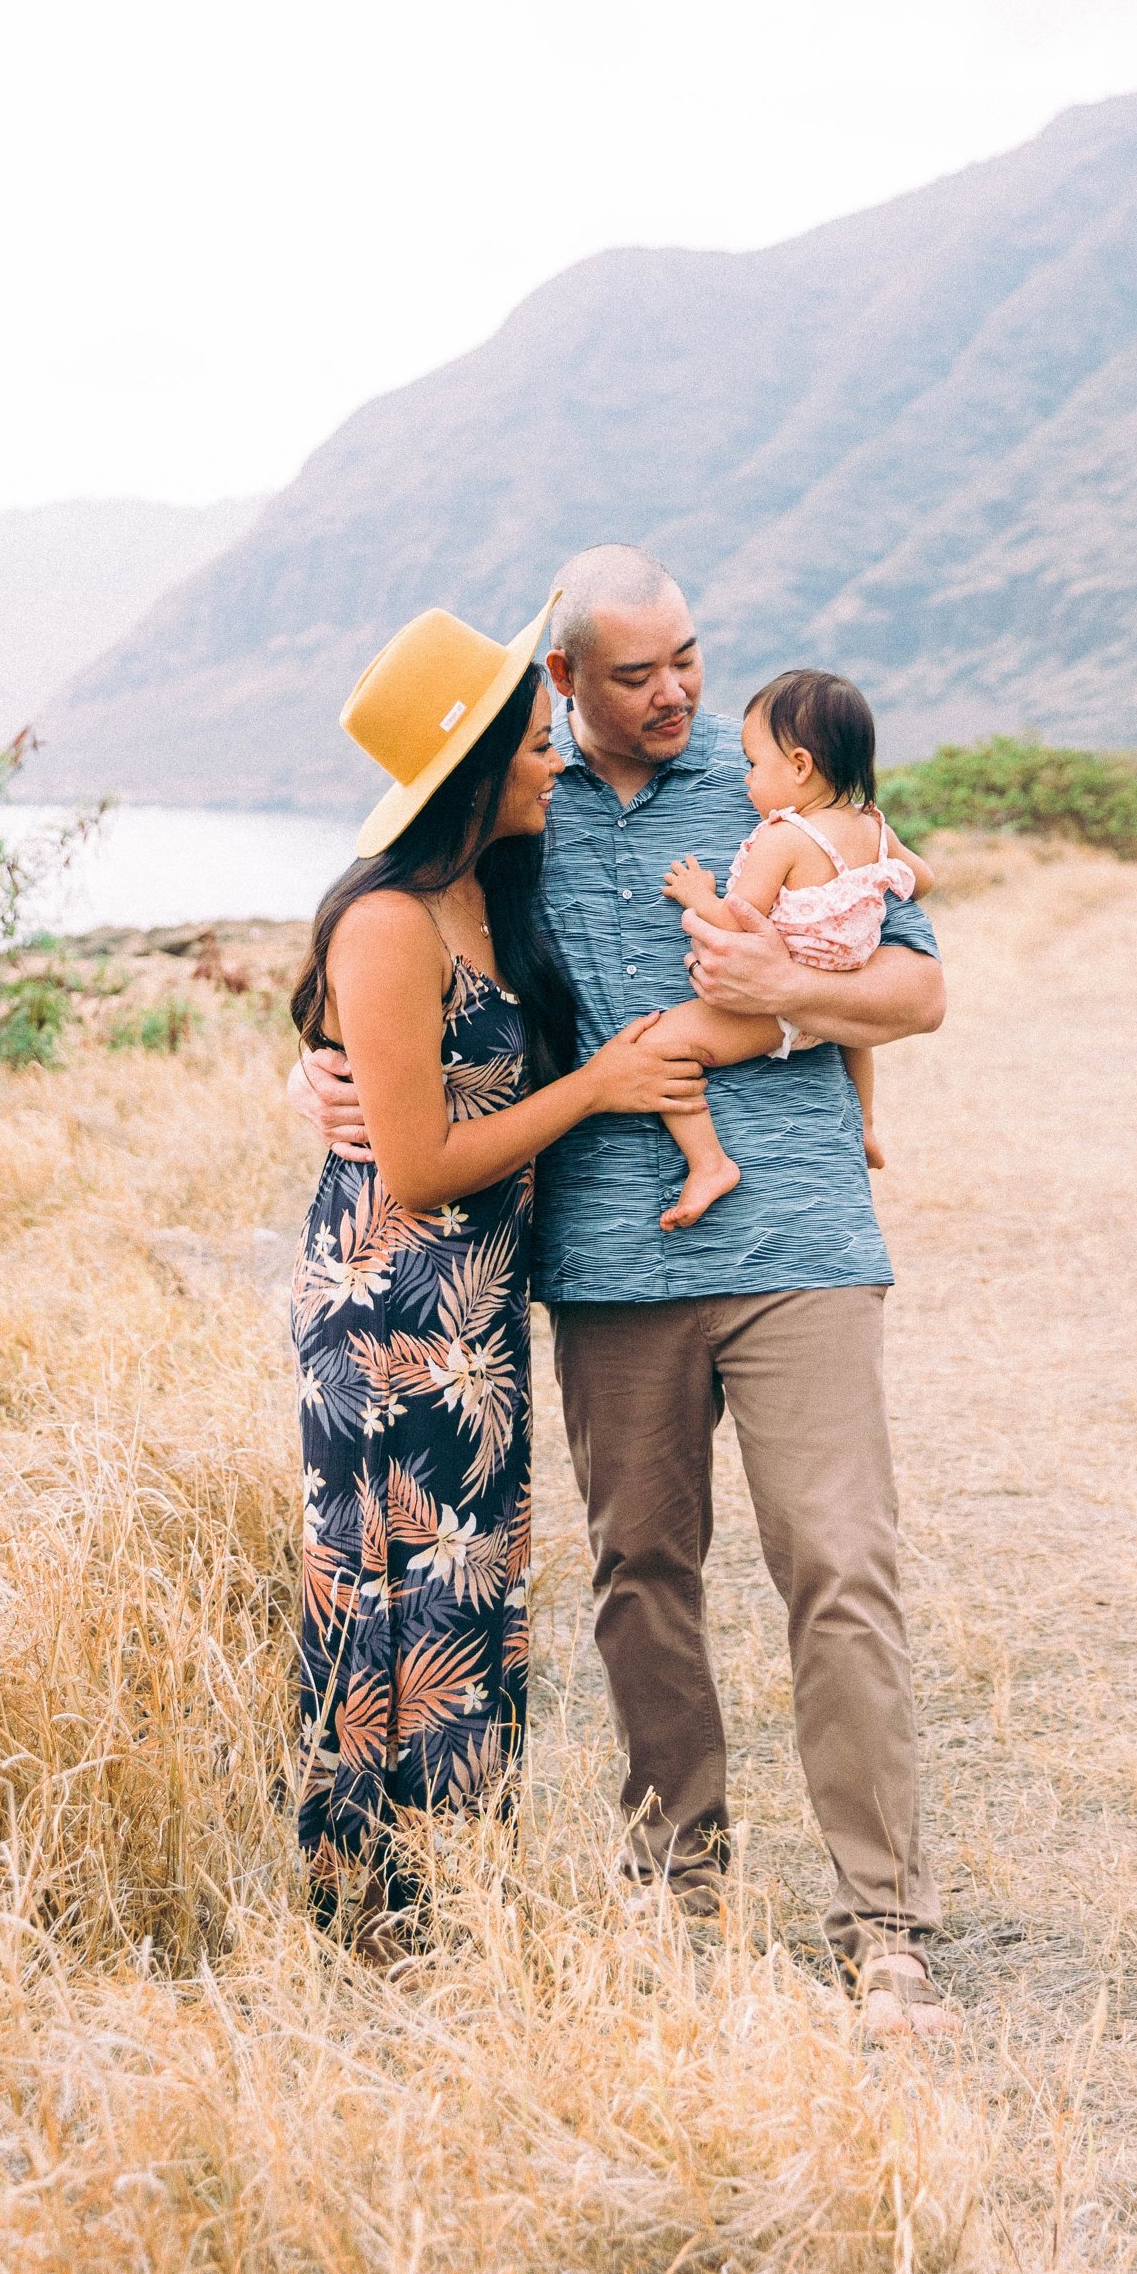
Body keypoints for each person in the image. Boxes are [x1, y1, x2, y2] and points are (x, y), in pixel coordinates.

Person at [292, 546, 959, 2036]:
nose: (676, 694)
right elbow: (391, 945)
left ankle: (884, 1922)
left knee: (840, 1566)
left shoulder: (782, 785)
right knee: (640, 1579)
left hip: (800, 1247)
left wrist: (780, 998)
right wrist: (315, 1071)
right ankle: (677, 1885)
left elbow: (918, 991)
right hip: (604, 1260)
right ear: (564, 683)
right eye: (638, 674)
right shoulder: (514, 809)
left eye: (690, 660)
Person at [288, 593, 714, 1958]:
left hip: (471, 1315)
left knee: (472, 1591)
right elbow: (415, 1166)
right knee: (393, 1592)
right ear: (472, 767)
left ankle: (449, 1899)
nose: (553, 760)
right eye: (533, 743)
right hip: (391, 1316)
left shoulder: (491, 887)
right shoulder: (391, 919)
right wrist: (594, 1087)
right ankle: (370, 1911)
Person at [607, 665, 938, 1226]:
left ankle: (708, 1161)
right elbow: (922, 880)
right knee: (852, 1037)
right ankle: (865, 1127)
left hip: (773, 1009)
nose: (747, 783)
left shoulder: (784, 838)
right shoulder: (874, 826)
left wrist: (696, 896)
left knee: (661, 1045)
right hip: (833, 1006)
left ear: (800, 766)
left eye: (755, 766)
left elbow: (741, 922)